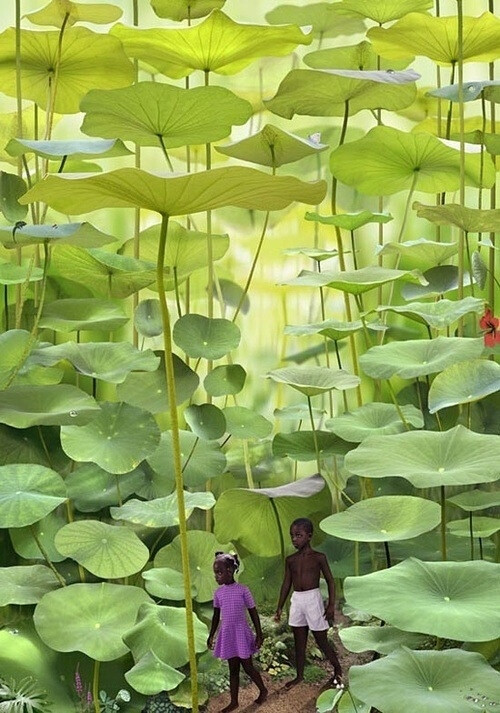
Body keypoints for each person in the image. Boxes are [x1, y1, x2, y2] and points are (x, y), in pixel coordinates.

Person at [274, 518, 343, 689]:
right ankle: (299, 676)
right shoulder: (291, 560)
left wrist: (331, 606)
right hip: (297, 599)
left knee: (321, 639)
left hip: (313, 598)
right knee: (299, 640)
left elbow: (330, 581)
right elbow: (286, 584)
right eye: (292, 536)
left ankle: (338, 669)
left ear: (309, 536)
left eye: (299, 535)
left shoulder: (319, 558)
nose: (294, 539)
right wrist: (279, 607)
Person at [208, 551, 268, 712]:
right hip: (227, 634)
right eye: (215, 573)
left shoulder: (243, 590)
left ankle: (263, 690)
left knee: (248, 667)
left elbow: (253, 612)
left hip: (241, 633)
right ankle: (234, 702)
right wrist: (211, 635)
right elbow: (215, 616)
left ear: (229, 570)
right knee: (233, 669)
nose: (216, 577)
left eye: (219, 572)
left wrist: (259, 633)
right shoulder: (218, 593)